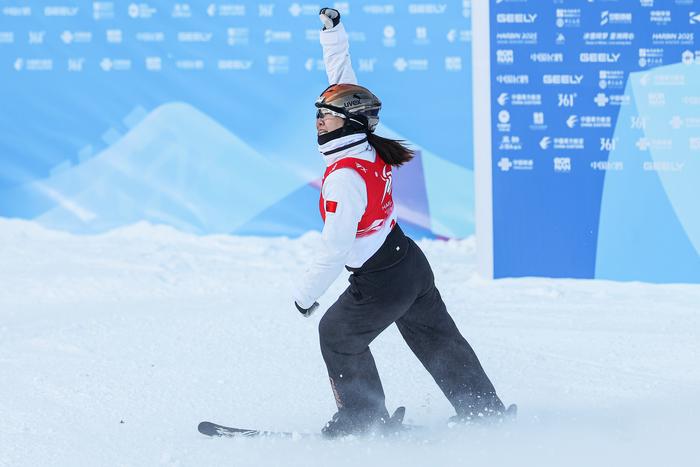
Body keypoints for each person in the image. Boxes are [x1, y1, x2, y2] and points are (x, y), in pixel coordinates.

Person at [292, 8, 513, 439]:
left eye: (327, 114)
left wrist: (305, 295)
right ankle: (484, 411)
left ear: (351, 122)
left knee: (336, 332)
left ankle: (363, 419)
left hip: (381, 280)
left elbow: (335, 248)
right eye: (318, 111)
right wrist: (332, 35)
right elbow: (346, 85)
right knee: (436, 338)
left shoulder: (344, 178)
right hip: (409, 263)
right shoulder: (366, 143)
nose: (319, 118)